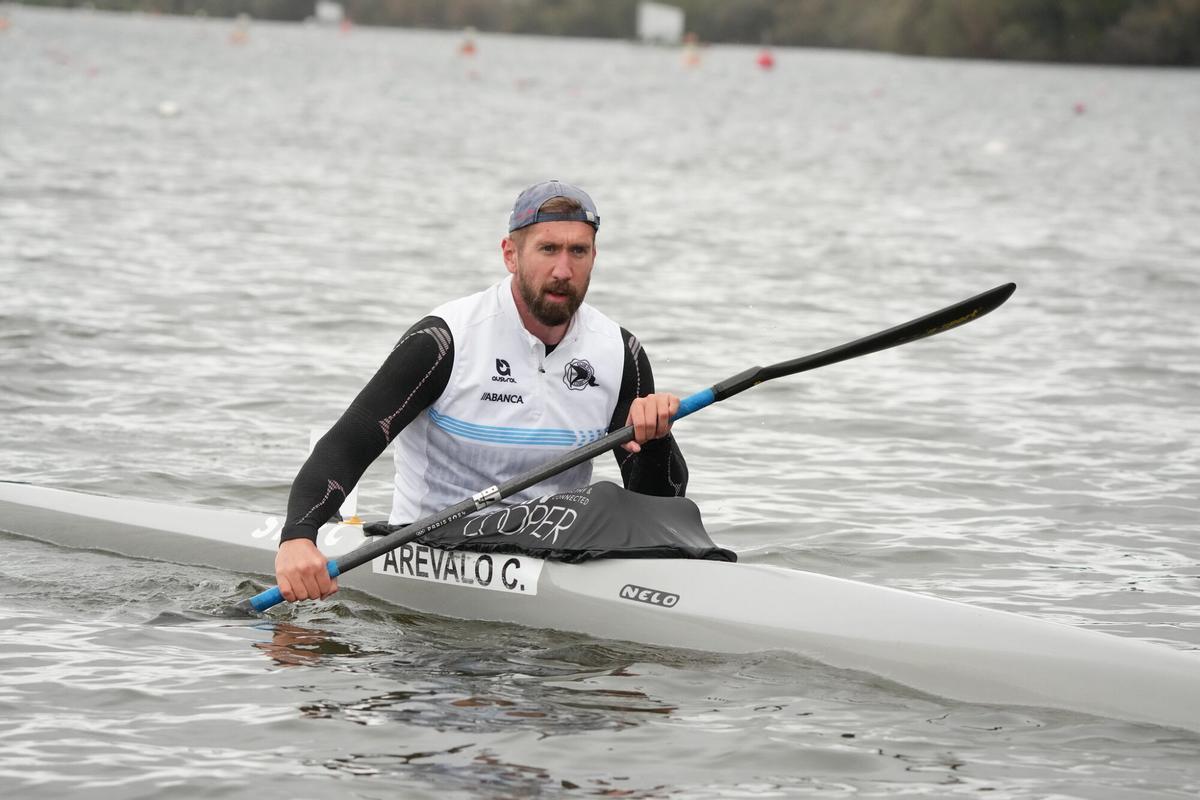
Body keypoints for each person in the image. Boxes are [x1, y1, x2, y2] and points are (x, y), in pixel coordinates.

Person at [274, 181, 687, 602]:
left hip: (555, 552)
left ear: (594, 257)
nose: (563, 270)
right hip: (432, 554)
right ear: (510, 254)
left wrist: (656, 441)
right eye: (548, 249)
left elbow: (655, 508)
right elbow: (349, 442)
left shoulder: (620, 353)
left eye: (578, 251)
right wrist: (298, 537)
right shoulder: (444, 341)